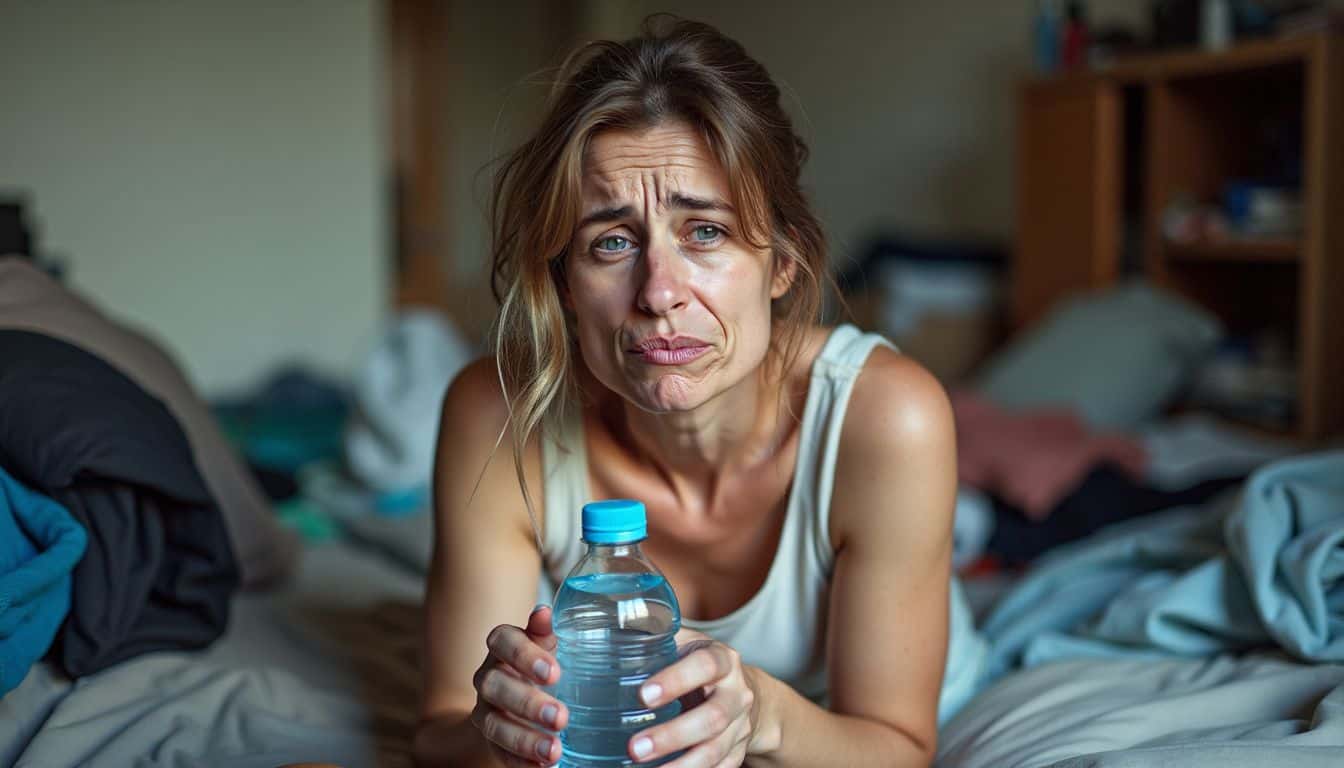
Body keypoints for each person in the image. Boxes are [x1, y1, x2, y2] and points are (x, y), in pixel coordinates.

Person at [414, 16, 983, 768]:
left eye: (705, 233)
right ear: (565, 285)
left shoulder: (885, 418)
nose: (658, 293)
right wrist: (498, 735)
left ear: (782, 262)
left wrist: (766, 713)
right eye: (611, 242)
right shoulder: (494, 414)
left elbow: (900, 746)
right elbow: (442, 729)